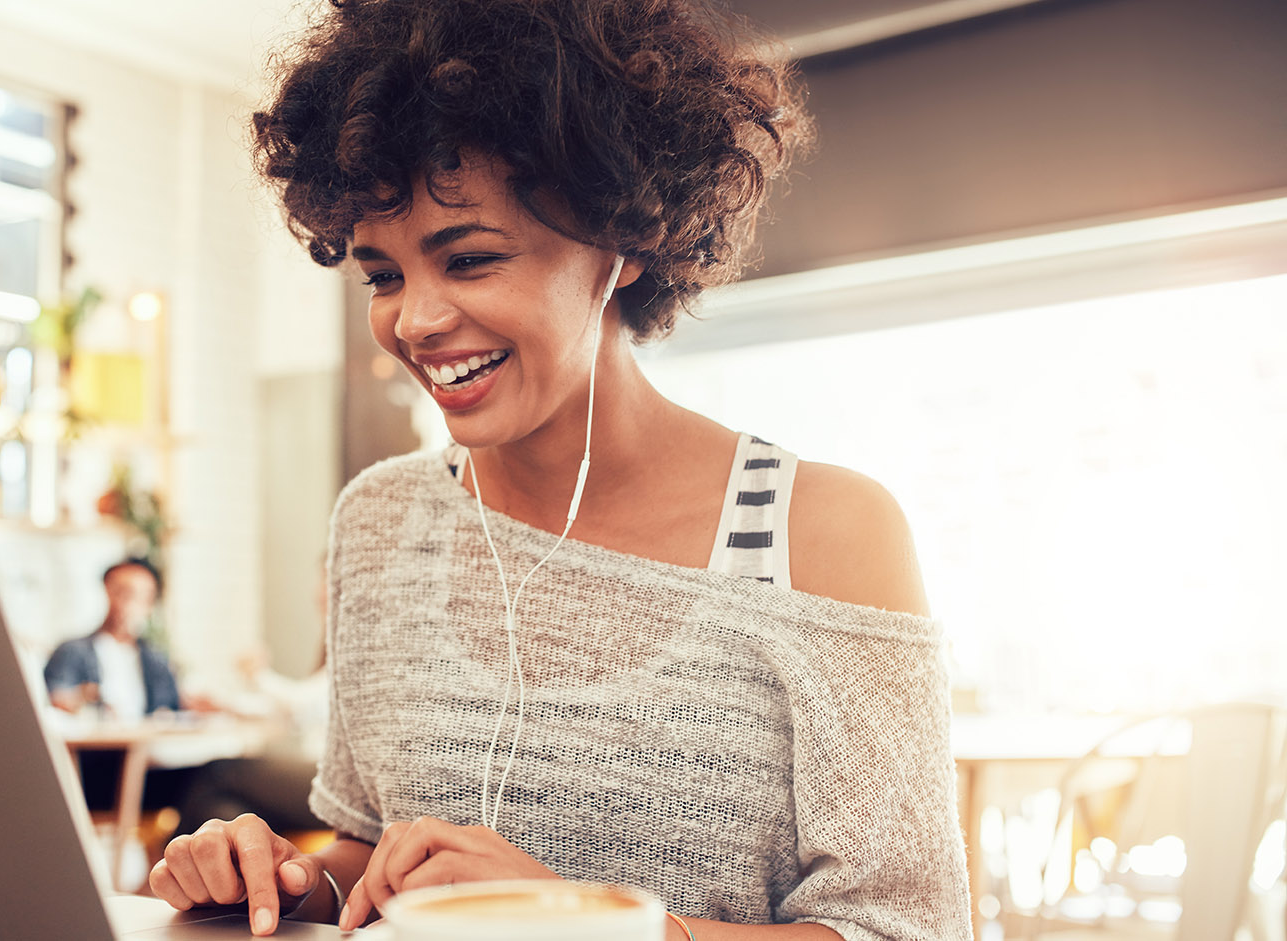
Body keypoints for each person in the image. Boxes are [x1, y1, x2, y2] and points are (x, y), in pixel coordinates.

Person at [153, 1, 971, 938]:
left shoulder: (819, 532)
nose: (413, 321)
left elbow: (909, 931)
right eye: (382, 274)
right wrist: (287, 882)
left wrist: (587, 921)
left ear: (622, 241)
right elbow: (373, 855)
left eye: (468, 258)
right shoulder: (380, 523)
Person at [43, 557, 215, 816]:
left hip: (148, 767)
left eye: (141, 597)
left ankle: (176, 852)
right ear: (106, 593)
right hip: (96, 774)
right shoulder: (73, 651)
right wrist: (84, 698)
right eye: (122, 592)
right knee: (217, 782)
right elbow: (52, 702)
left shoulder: (154, 658)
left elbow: (175, 705)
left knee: (213, 781)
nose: (129, 603)